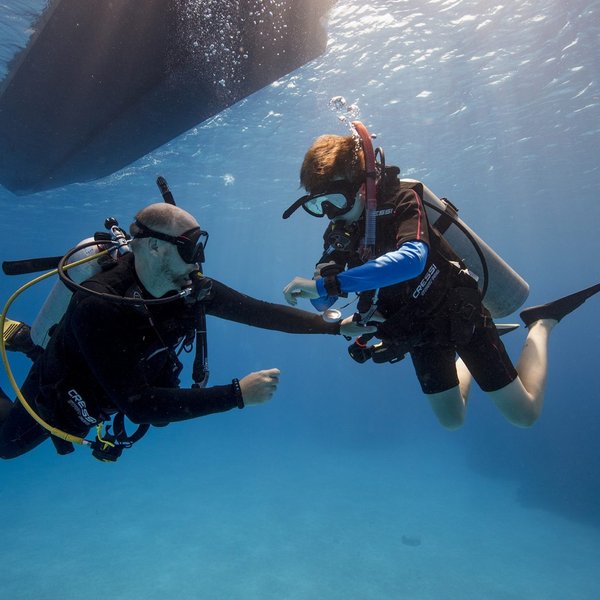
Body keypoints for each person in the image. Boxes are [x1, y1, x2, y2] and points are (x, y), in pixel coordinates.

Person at [282, 131, 600, 430]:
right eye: (316, 204)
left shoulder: (402, 201)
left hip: (460, 313)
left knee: (524, 415)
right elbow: (323, 301)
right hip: (417, 331)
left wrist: (328, 286)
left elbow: (412, 259)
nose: (328, 213)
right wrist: (321, 283)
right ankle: (465, 356)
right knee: (452, 420)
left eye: (334, 200)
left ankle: (541, 323)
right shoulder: (339, 235)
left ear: (363, 185)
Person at [0, 202, 367, 460]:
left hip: (113, 368)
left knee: (159, 413)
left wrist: (335, 328)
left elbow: (258, 312)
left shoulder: (189, 288)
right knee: (6, 445)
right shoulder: (100, 304)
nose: (198, 261)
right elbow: (139, 405)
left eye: (199, 246)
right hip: (67, 388)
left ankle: (20, 337)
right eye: (190, 249)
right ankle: (27, 342)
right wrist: (237, 394)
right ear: (156, 248)